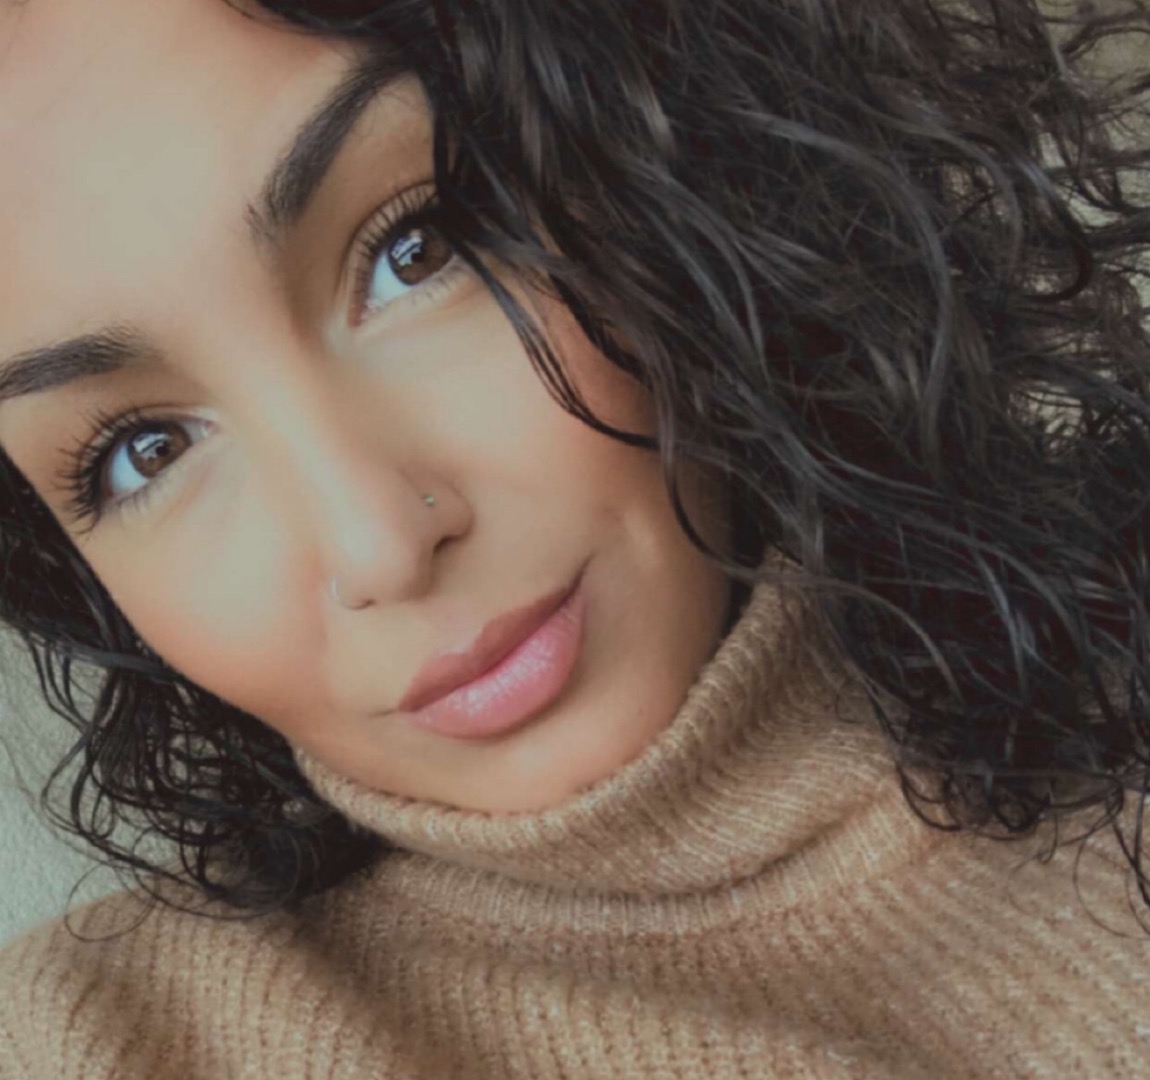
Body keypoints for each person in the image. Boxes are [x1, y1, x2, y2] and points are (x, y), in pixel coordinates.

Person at [0, 0, 1148, 1074]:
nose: (376, 544)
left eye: (417, 250)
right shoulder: (100, 1040)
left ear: (649, 145)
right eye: (143, 452)